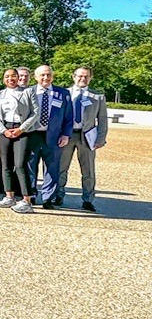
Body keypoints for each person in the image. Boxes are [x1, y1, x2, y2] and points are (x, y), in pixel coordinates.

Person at [54, 67, 109, 212]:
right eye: (79, 76)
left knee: (88, 170)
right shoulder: (64, 94)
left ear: (90, 78)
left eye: (86, 77)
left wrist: (101, 138)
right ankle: (58, 195)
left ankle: (88, 199)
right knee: (61, 167)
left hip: (87, 136)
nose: (82, 79)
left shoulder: (98, 97)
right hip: (66, 135)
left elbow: (102, 119)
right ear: (73, 77)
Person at [21, 65, 73, 209]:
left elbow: (69, 117)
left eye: (48, 75)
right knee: (30, 166)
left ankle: (48, 198)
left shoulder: (63, 93)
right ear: (35, 77)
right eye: (42, 75)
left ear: (52, 76)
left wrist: (66, 134)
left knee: (52, 167)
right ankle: (31, 195)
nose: (46, 78)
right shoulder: (28, 92)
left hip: (54, 136)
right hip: (32, 135)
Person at [0, 69, 35, 213]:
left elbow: (35, 113)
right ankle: (9, 195)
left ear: (18, 78)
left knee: (20, 164)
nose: (11, 79)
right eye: (7, 77)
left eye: (14, 76)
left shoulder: (28, 92)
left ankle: (26, 199)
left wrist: (21, 129)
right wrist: (3, 130)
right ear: (4, 79)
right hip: (4, 130)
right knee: (6, 164)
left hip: (22, 130)